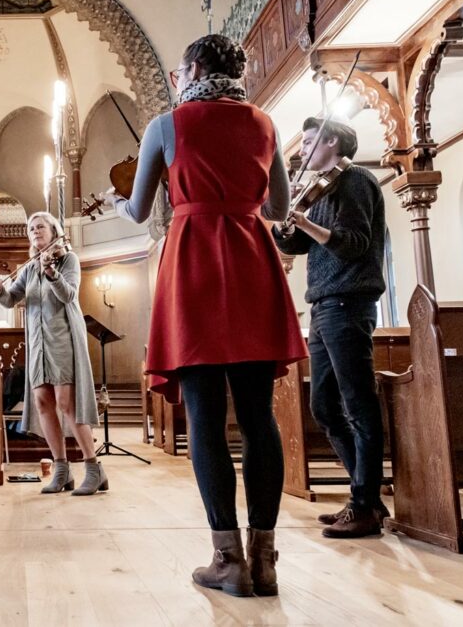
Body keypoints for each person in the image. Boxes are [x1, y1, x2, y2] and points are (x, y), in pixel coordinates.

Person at [108, 34, 307, 597]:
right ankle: (266, 558)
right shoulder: (265, 124)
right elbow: (279, 210)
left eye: (177, 68)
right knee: (258, 418)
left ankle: (228, 559)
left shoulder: (165, 126)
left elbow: (140, 209)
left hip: (193, 261)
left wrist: (119, 201)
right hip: (250, 259)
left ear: (192, 68)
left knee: (205, 416)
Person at [272, 117, 387, 538]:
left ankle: (364, 504)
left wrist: (305, 223)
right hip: (323, 304)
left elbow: (353, 243)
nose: (301, 151)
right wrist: (285, 229)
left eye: (307, 142)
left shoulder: (355, 180)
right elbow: (300, 246)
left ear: (333, 141)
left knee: (359, 406)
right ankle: (365, 498)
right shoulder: (321, 188)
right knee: (323, 407)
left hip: (348, 301)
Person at [0, 211, 104, 496]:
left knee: (67, 404)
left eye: (40, 226)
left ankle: (94, 469)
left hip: (62, 339)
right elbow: (11, 299)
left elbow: (69, 296)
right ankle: (61, 470)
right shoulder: (28, 269)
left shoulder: (68, 260)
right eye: (31, 228)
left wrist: (52, 273)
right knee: (43, 402)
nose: (35, 230)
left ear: (54, 230)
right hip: (38, 344)